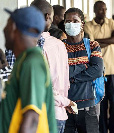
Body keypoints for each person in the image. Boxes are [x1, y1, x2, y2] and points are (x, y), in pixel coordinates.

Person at [0, 6, 57, 133]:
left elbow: (32, 120)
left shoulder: (32, 62)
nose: (4, 30)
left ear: (14, 28)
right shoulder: (24, 60)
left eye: (7, 25)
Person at [31, 1, 74, 133]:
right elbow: (65, 82)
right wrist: (65, 101)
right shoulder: (60, 45)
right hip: (59, 113)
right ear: (47, 17)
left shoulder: (34, 46)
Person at [84, 1, 114, 133]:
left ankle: (113, 130)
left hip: (112, 69)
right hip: (97, 71)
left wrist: (99, 41)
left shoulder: (111, 22)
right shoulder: (88, 25)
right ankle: (102, 130)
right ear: (95, 10)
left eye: (105, 9)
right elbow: (91, 44)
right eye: (101, 9)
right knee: (101, 102)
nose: (104, 12)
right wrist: (109, 40)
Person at [63, 7, 103, 133]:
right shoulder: (59, 46)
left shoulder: (92, 46)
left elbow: (97, 70)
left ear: (82, 24)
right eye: (68, 21)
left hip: (88, 107)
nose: (71, 24)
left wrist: (73, 77)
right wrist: (83, 66)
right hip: (65, 107)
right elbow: (59, 73)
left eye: (75, 21)